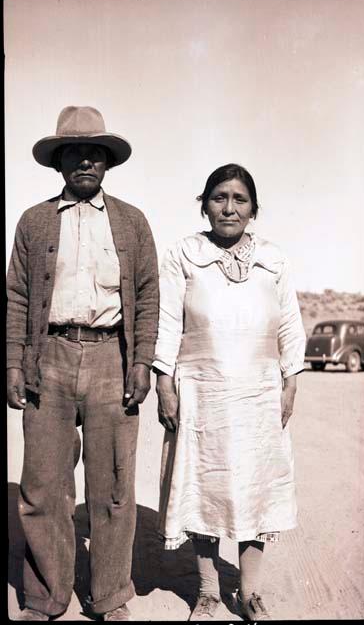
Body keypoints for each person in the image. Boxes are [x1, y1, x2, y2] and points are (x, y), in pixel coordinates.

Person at [6, 106, 159, 621]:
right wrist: (12, 364)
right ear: (59, 163)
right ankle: (47, 596)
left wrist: (141, 362)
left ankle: (111, 596)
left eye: (95, 153)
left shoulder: (133, 222)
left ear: (108, 162)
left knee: (113, 486)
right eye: (74, 152)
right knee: (43, 485)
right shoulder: (33, 221)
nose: (85, 161)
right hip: (46, 357)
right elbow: (18, 298)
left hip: (112, 357)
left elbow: (147, 297)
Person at [153, 163, 306, 621]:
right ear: (205, 204)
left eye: (239, 199)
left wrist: (290, 379)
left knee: (255, 488)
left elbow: (290, 324)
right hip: (200, 389)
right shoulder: (184, 253)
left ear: (253, 209)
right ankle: (207, 591)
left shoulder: (274, 260)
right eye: (219, 197)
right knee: (204, 484)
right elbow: (166, 319)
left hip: (259, 391)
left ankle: (250, 591)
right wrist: (164, 380)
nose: (229, 207)